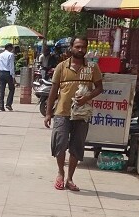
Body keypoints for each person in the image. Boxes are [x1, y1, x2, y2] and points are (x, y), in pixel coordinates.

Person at [44, 36, 103, 192]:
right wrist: (48, 113)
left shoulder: (92, 68)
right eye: (77, 46)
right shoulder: (61, 67)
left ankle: (70, 178)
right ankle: (60, 173)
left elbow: (99, 88)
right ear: (71, 47)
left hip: (82, 114)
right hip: (62, 112)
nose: (80, 50)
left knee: (76, 147)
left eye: (83, 47)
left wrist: (87, 98)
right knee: (60, 144)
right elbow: (53, 91)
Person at [0, 43, 16, 111]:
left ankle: (1, 106)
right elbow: (11, 66)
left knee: (1, 90)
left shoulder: (0, 55)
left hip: (1, 73)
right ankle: (8, 104)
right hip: (8, 73)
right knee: (12, 88)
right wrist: (13, 76)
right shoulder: (11, 55)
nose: (12, 49)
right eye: (12, 48)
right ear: (9, 47)